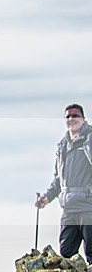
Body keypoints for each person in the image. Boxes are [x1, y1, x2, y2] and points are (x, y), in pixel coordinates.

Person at [37, 104, 92, 262]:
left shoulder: (89, 139)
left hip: (88, 205)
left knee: (91, 251)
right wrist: (46, 198)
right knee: (66, 253)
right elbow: (58, 179)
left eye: (75, 115)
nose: (71, 119)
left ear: (83, 119)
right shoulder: (63, 146)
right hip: (68, 208)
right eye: (68, 116)